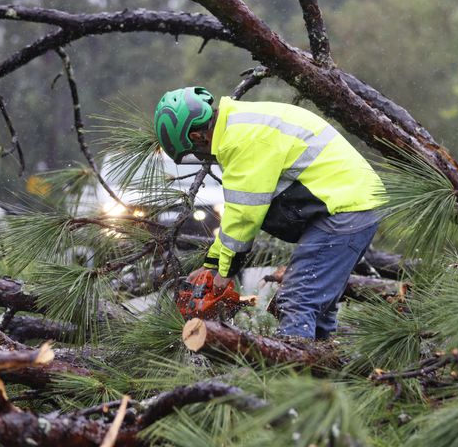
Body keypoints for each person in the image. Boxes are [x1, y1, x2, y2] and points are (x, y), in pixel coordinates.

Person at [154, 86, 386, 340]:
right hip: (347, 204)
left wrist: (225, 274)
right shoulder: (238, 126)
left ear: (199, 137)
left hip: (344, 209)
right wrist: (212, 265)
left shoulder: (241, 140)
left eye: (193, 152)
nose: (200, 157)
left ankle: (292, 374)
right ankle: (322, 370)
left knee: (297, 299)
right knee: (317, 308)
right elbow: (236, 212)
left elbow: (245, 215)